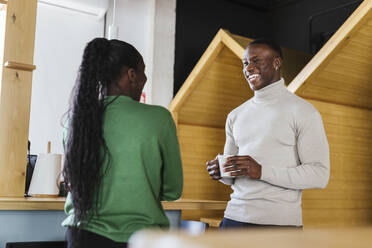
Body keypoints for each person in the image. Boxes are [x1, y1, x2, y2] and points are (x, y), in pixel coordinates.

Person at [62, 38, 183, 248]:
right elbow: (173, 189)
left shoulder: (77, 120)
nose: (145, 78)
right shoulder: (159, 119)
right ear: (131, 75)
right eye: (143, 72)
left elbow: (74, 177)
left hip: (81, 235)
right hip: (140, 239)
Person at [206, 39, 330, 229]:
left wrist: (261, 171)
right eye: (245, 63)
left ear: (276, 62)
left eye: (256, 61)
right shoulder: (235, 115)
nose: (249, 68)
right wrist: (221, 172)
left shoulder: (304, 111)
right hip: (233, 219)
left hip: (280, 225)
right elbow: (233, 177)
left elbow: (319, 175)